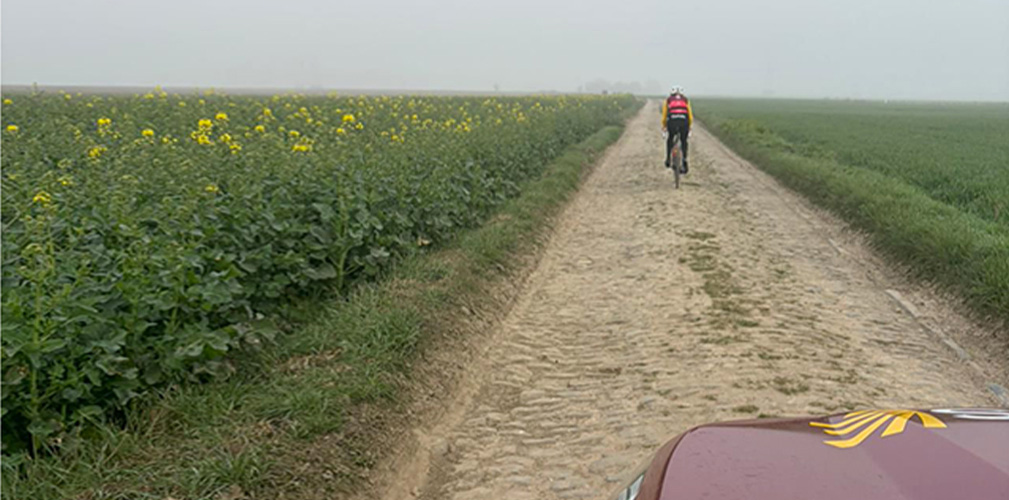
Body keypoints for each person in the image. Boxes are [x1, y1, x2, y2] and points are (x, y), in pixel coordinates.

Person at [661, 86, 693, 174]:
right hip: (684, 122)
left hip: (672, 122)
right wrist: (690, 125)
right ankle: (684, 161)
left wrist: (664, 125)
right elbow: (689, 114)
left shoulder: (668, 100)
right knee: (684, 141)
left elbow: (664, 114)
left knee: (670, 138)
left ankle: (668, 159)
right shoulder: (685, 100)